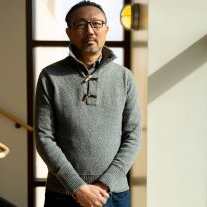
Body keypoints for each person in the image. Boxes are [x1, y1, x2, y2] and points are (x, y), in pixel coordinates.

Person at [34, 1, 141, 207]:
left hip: (113, 194)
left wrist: (104, 184)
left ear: (107, 29)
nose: (90, 30)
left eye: (97, 23)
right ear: (69, 32)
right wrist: (77, 187)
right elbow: (44, 138)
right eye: (81, 24)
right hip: (63, 194)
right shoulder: (50, 76)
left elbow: (133, 136)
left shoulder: (124, 77)